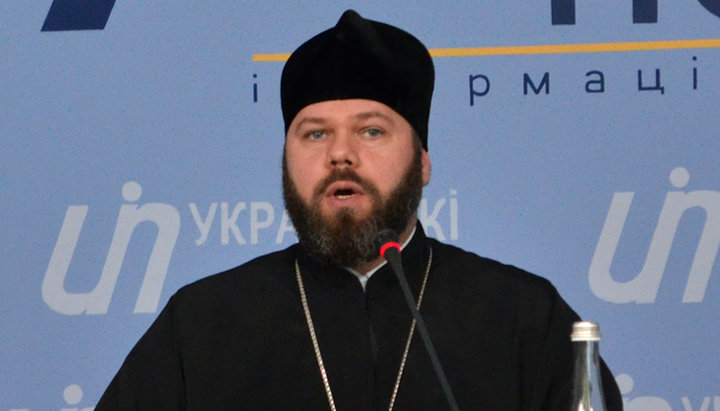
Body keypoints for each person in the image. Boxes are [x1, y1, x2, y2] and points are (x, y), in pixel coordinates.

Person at [96, 10, 622, 410]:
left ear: (422, 164)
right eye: (314, 133)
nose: (340, 153)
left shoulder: (522, 317)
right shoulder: (203, 323)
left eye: (371, 131)